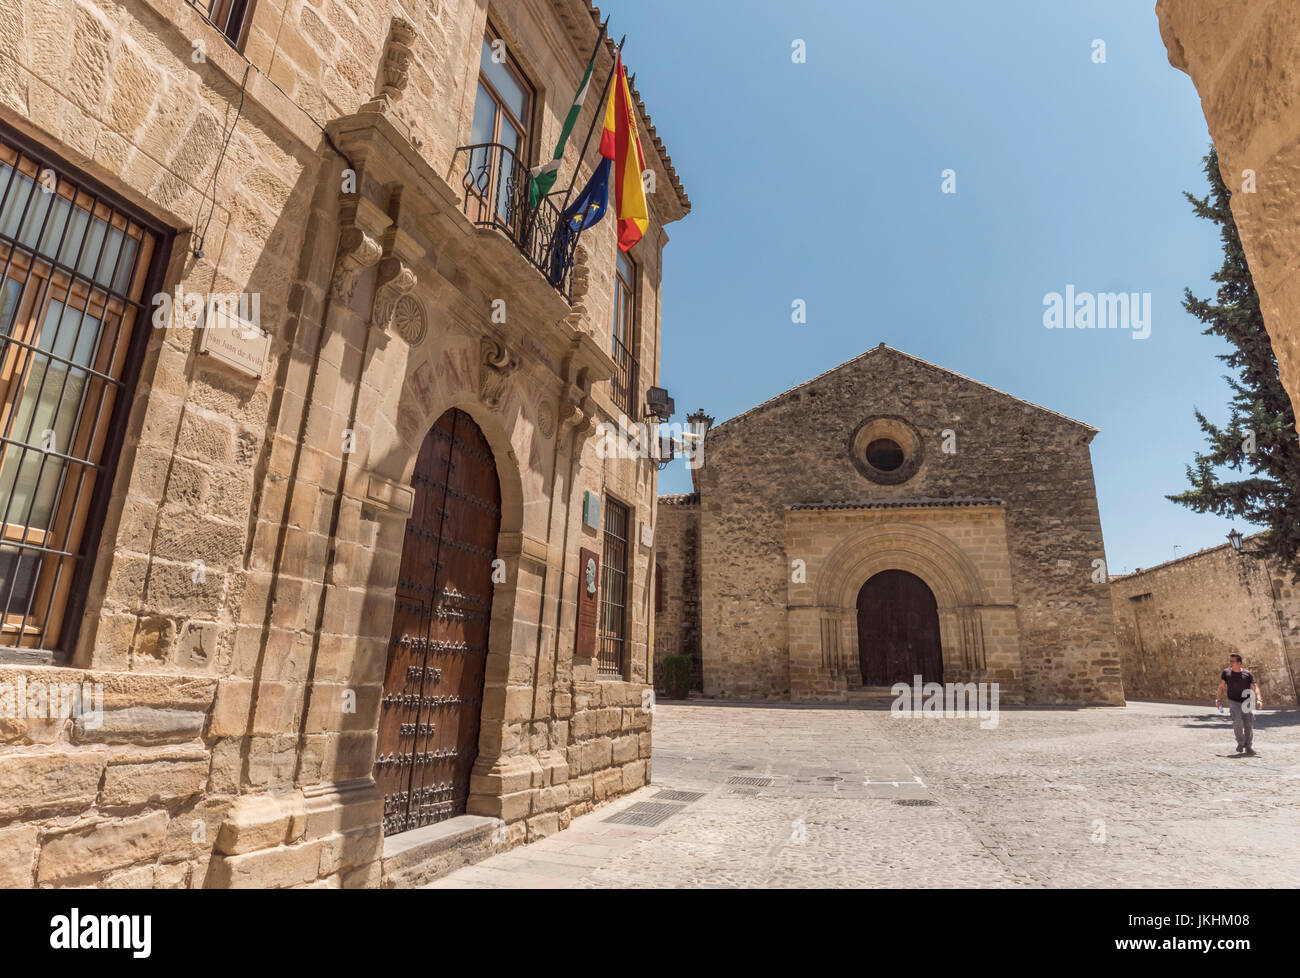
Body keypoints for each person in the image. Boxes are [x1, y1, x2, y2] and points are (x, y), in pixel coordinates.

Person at [1216, 654, 1263, 756]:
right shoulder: (1226, 672)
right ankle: (1240, 743)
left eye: (1233, 661)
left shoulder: (1247, 674)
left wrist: (1259, 699)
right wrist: (1218, 700)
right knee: (1237, 721)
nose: (1230, 663)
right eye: (1230, 661)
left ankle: (1248, 746)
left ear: (1239, 663)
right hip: (1233, 702)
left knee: (1248, 725)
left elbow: (1256, 687)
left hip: (1247, 702)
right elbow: (1221, 687)